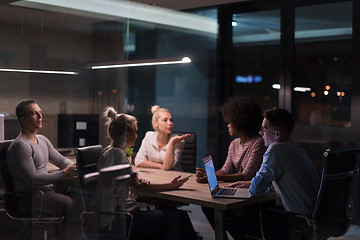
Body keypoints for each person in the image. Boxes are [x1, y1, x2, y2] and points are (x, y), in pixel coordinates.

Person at [97, 106, 197, 240]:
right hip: (126, 219)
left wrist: (134, 181)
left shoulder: (107, 152)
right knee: (179, 218)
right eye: (135, 132)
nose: (137, 136)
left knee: (171, 217)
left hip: (112, 217)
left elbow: (131, 184)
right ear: (127, 135)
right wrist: (171, 186)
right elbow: (139, 187)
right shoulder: (119, 155)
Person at [225, 108, 320, 239]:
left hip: (298, 221)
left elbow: (255, 191)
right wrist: (250, 183)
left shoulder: (275, 149)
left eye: (264, 129)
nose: (260, 133)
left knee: (235, 220)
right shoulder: (295, 148)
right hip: (314, 219)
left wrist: (254, 185)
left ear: (277, 134)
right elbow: (289, 182)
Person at [7, 99, 77, 239]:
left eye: (40, 112)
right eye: (34, 113)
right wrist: (64, 173)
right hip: (31, 197)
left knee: (78, 195)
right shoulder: (21, 145)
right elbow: (33, 179)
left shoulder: (43, 139)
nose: (40, 116)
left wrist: (75, 167)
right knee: (72, 205)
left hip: (45, 192)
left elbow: (61, 160)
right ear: (23, 119)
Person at [196, 96, 266, 182]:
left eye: (230, 122)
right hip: (239, 187)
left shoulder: (258, 143)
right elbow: (225, 170)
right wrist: (208, 174)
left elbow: (246, 175)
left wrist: (213, 177)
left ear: (240, 122)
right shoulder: (234, 144)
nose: (228, 125)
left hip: (253, 190)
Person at [134, 105, 190, 171]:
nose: (170, 123)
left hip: (173, 176)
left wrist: (172, 142)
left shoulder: (178, 140)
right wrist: (160, 166)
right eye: (165, 120)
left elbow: (167, 167)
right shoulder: (149, 136)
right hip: (155, 174)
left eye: (171, 120)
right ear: (155, 123)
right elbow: (138, 161)